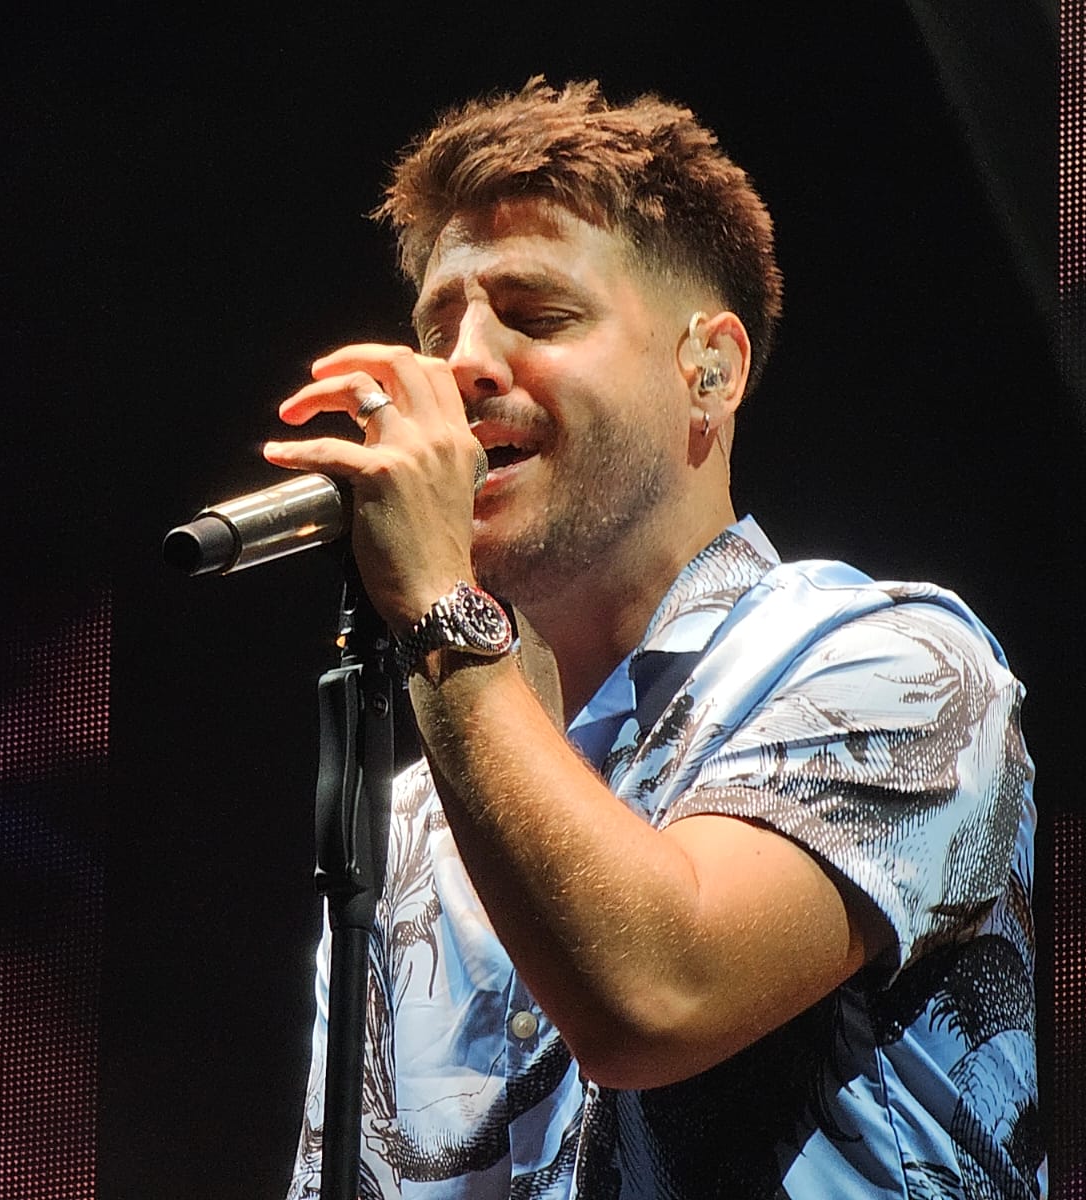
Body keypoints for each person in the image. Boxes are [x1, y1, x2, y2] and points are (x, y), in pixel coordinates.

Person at [264, 78, 1042, 1199]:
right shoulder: (417, 826)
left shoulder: (902, 667)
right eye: (438, 329)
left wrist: (435, 600)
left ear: (709, 370)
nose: (462, 368)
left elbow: (655, 997)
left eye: (536, 315)